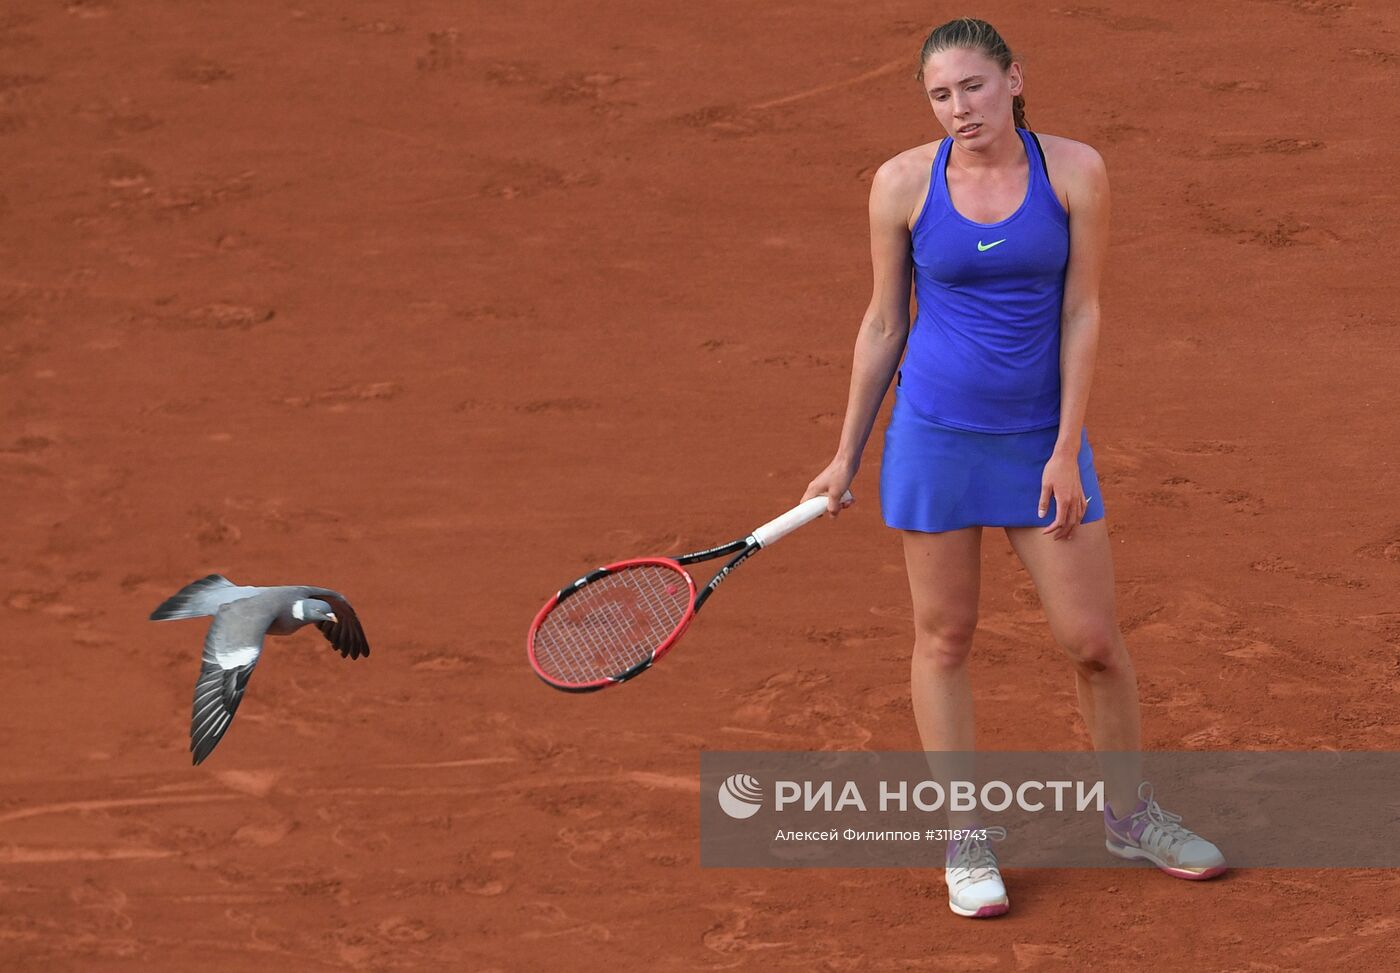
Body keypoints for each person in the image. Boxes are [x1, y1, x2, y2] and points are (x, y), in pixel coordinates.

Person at [801, 17, 1225, 918]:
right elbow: (884, 325)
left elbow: (1082, 311)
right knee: (944, 639)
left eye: (975, 87)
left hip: (1040, 441)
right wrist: (845, 455)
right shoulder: (902, 184)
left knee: (1094, 643)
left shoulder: (1075, 171)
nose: (960, 109)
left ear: (1014, 80)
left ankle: (1129, 815)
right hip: (935, 439)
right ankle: (965, 839)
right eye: (941, 95)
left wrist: (1066, 446)